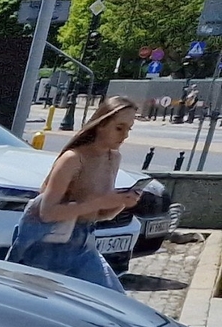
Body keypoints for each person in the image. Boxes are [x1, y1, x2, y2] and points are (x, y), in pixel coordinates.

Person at [8, 97, 142, 291]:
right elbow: (47, 212)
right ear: (100, 125)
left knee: (113, 304)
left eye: (129, 129)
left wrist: (122, 202)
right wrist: (101, 201)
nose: (125, 136)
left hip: (85, 243)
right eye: (119, 128)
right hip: (52, 246)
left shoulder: (113, 157)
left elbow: (101, 214)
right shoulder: (73, 159)